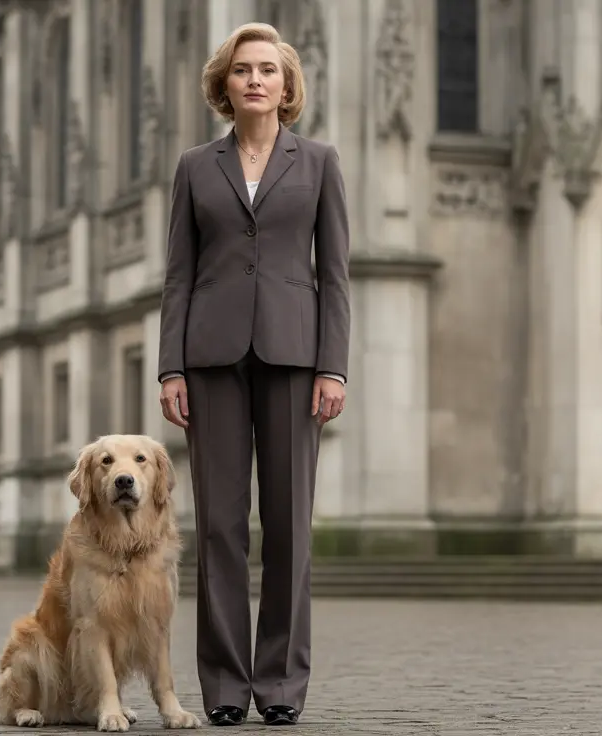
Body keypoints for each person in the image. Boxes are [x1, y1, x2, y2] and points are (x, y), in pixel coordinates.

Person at [156, 22, 350, 728]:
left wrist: (334, 366)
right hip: (210, 358)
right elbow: (178, 275)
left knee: (289, 527)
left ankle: (282, 685)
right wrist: (170, 366)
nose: (256, 80)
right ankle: (225, 686)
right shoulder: (194, 167)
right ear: (225, 84)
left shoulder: (320, 162)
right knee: (219, 527)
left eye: (268, 69)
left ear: (286, 85)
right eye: (243, 70)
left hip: (295, 355)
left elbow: (336, 275)